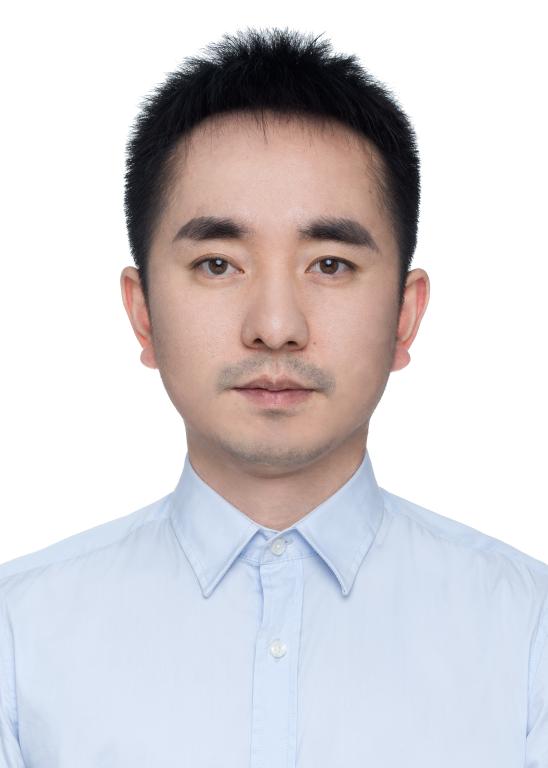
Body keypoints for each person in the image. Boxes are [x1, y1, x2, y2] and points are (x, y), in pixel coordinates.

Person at [0, 26, 546, 768]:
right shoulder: (19, 636)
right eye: (217, 263)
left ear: (405, 314)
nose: (276, 327)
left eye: (330, 263)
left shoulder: (529, 632)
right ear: (143, 311)